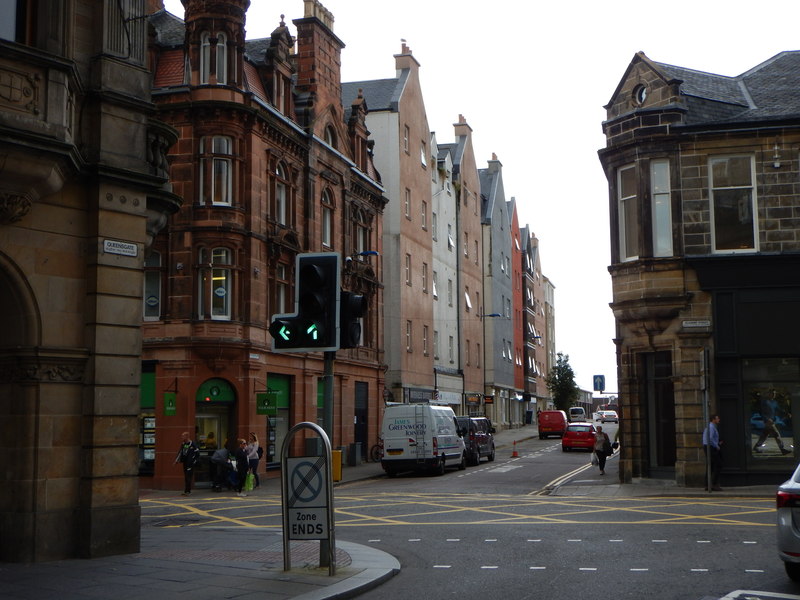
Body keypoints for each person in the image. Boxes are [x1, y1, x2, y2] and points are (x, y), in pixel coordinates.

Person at [754, 389, 791, 455]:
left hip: (771, 421)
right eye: (772, 393)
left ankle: (756, 447)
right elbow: (761, 412)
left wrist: (786, 413)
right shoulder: (765, 402)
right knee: (776, 434)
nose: (774, 395)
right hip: (768, 422)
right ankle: (782, 449)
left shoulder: (774, 402)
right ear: (769, 394)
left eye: (775, 394)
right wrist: (766, 419)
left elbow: (779, 410)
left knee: (764, 435)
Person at [174, 431, 199, 496]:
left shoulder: (193, 444)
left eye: (183, 436)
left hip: (190, 463)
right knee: (186, 477)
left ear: (187, 436)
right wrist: (176, 461)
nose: (181, 437)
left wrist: (194, 461)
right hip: (185, 462)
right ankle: (186, 491)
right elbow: (180, 452)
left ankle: (188, 491)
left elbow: (197, 454)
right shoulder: (183, 444)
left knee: (188, 477)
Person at [703, 414, 723, 491]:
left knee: (710, 465)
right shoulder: (711, 427)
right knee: (718, 465)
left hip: (708, 447)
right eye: (717, 418)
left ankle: (707, 484)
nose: (719, 420)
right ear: (713, 420)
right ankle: (714, 484)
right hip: (710, 448)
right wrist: (716, 446)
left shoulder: (711, 427)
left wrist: (718, 442)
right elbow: (710, 438)